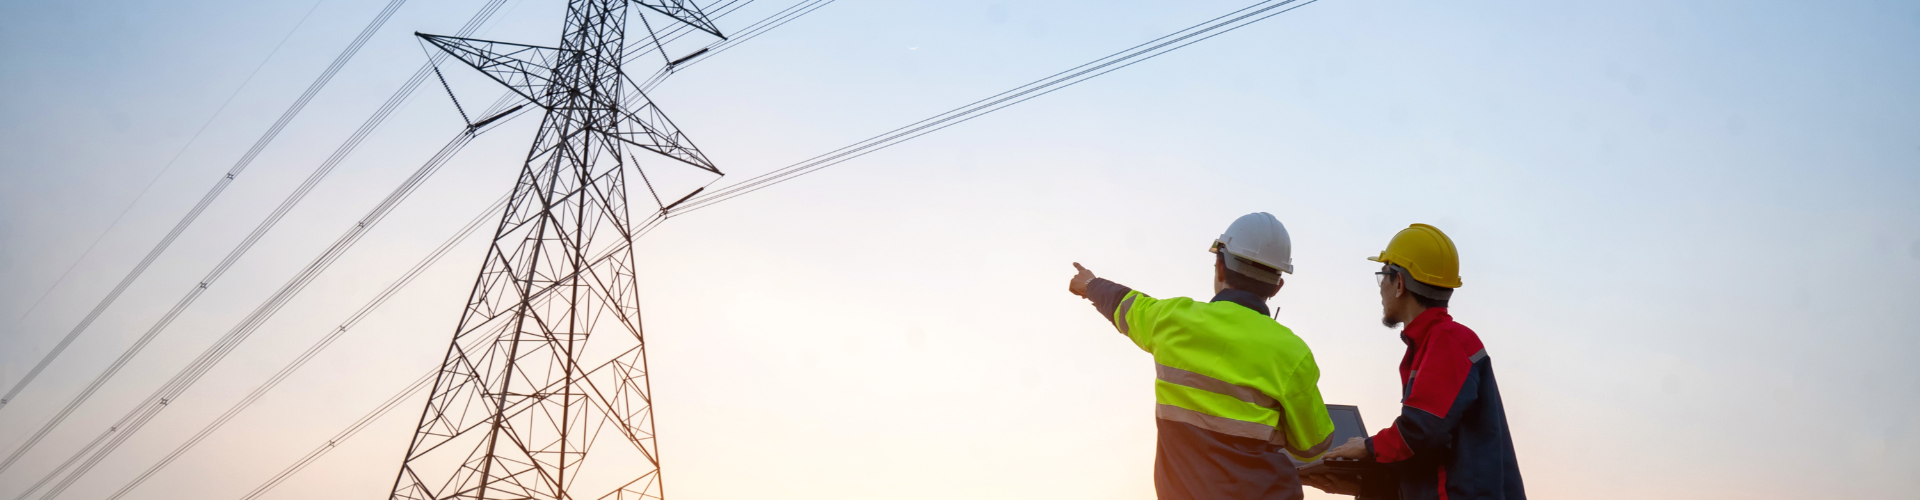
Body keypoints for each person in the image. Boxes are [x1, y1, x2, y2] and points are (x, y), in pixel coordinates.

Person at [1068, 212, 1335, 500]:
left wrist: (1090, 284)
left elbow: (1124, 302)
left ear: (1220, 267)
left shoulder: (1172, 320)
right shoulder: (1293, 352)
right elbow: (1313, 447)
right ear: (1277, 286)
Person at [1302, 223, 1525, 500]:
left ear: (1399, 284)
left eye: (1383, 276)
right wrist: (1363, 486)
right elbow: (1431, 456)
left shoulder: (1449, 340)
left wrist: (1368, 447)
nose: (1380, 288)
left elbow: (1422, 431)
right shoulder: (1434, 342)